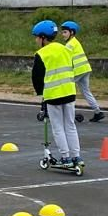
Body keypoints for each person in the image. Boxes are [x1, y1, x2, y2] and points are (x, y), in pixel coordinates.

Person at [32, 20, 81, 168]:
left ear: (43, 37)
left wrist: (41, 94)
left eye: (36, 37)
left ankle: (65, 158)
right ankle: (76, 157)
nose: (35, 40)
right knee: (70, 125)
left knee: (58, 127)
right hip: (70, 92)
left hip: (53, 95)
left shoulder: (41, 53)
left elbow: (37, 77)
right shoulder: (65, 48)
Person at [61, 19, 104, 122]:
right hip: (85, 69)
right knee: (86, 91)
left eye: (65, 32)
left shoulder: (70, 44)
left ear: (72, 33)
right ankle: (98, 112)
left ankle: (68, 113)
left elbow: (63, 58)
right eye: (62, 32)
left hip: (77, 71)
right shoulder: (75, 42)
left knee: (65, 90)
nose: (62, 34)